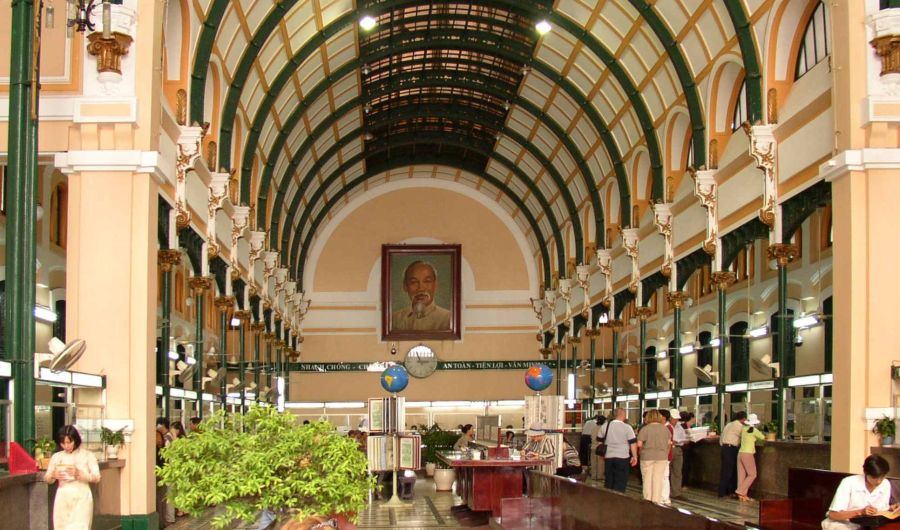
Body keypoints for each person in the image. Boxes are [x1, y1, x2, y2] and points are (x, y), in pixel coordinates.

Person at [44, 425, 100, 530]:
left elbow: (96, 477)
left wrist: (79, 474)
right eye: (63, 443)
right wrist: (53, 475)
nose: (66, 446)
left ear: (76, 440)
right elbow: (47, 478)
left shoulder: (87, 455)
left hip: (81, 497)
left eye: (69, 442)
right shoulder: (57, 457)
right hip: (63, 497)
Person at [822, 454, 899, 530]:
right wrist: (860, 512)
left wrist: (892, 509)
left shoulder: (885, 484)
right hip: (841, 524)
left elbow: (881, 511)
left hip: (868, 525)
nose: (878, 481)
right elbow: (833, 515)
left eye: (882, 477)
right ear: (865, 473)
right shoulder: (849, 482)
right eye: (874, 478)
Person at [391, 261, 451, 331]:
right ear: (405, 286)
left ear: (435, 285)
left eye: (427, 281)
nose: (421, 288)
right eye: (414, 282)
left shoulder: (448, 319)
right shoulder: (394, 319)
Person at [599, 408, 638, 493]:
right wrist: (635, 456)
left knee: (609, 479)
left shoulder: (605, 426)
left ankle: (609, 498)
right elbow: (632, 443)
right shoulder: (627, 427)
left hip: (608, 457)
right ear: (623, 415)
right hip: (623, 457)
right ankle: (618, 499)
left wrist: (602, 455)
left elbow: (599, 439)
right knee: (620, 481)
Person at [637, 410, 672, 504]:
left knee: (647, 479)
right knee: (658, 479)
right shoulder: (665, 429)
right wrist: (665, 453)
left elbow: (639, 444)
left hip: (647, 457)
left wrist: (641, 452)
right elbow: (669, 443)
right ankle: (656, 501)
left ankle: (647, 500)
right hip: (662, 457)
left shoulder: (645, 429)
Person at [735, 413, 765, 502]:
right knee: (752, 474)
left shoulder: (743, 429)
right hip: (748, 454)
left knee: (741, 476)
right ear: (755, 423)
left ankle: (743, 496)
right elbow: (763, 437)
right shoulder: (754, 431)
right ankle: (740, 491)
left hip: (740, 453)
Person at [718, 410, 747, 497]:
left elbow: (721, 438)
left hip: (724, 448)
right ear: (744, 419)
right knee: (728, 471)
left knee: (726, 470)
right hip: (731, 449)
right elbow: (745, 436)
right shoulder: (739, 426)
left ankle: (725, 491)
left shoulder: (729, 424)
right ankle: (723, 492)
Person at [669, 409, 688, 499]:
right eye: (674, 418)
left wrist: (679, 441)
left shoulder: (679, 427)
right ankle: (665, 491)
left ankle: (676, 492)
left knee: (677, 471)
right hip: (668, 449)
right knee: (666, 472)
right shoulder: (665, 426)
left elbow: (684, 438)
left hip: (678, 449)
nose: (676, 420)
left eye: (677, 419)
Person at [591, 415, 607, 481]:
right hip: (600, 447)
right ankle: (600, 476)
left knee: (593, 462)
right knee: (600, 462)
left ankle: (594, 475)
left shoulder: (594, 428)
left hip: (593, 446)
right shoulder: (603, 428)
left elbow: (591, 437)